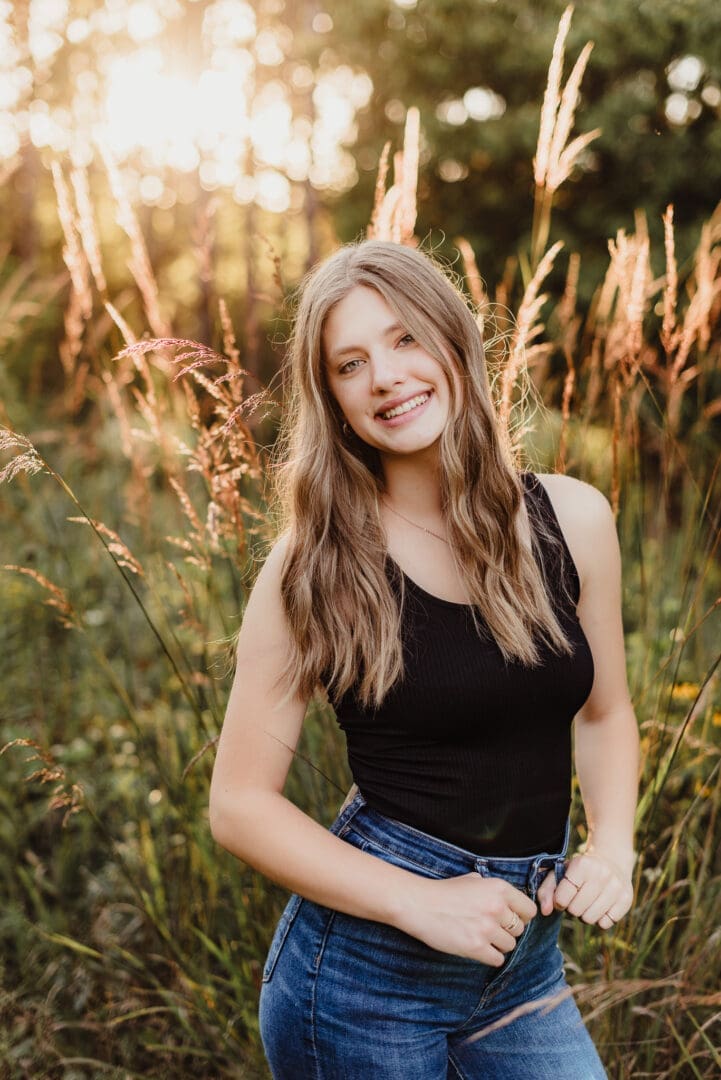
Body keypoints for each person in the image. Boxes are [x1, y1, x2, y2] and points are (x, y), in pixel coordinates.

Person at [208, 239, 639, 1079]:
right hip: (364, 980)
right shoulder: (315, 566)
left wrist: (613, 845)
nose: (385, 377)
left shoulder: (575, 519)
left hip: (522, 967)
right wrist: (421, 902)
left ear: (453, 341)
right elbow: (238, 806)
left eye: (405, 339)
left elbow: (604, 710)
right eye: (350, 363)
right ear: (330, 398)